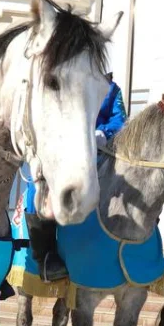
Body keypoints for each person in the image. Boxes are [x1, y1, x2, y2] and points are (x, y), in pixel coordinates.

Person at [25, 74, 127, 282]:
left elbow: (120, 120)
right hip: (64, 151)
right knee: (38, 191)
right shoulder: (59, 81)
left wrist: (103, 133)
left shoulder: (111, 88)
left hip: (99, 153)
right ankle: (46, 257)